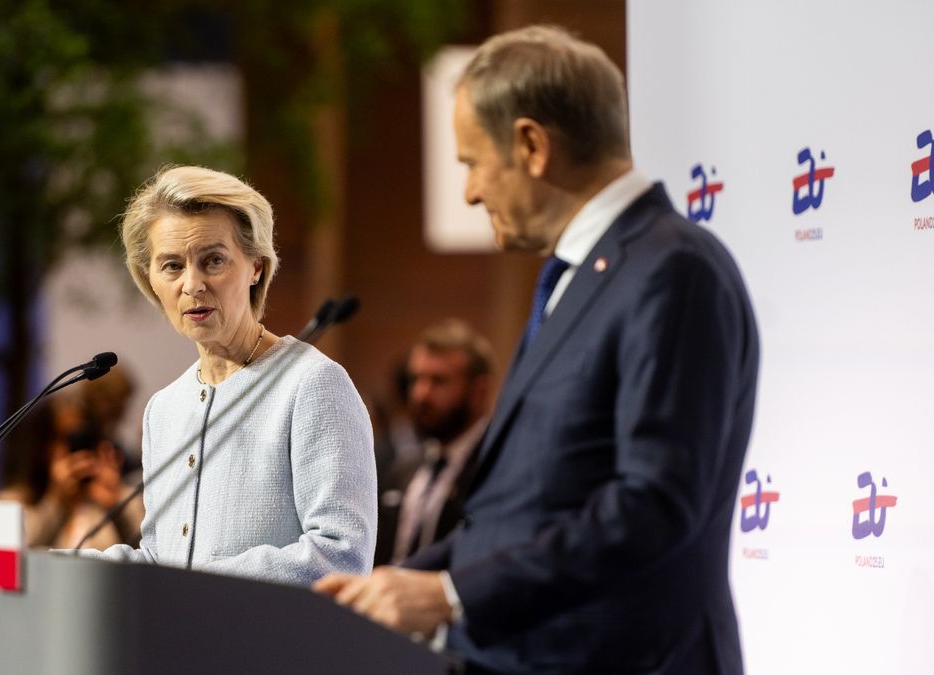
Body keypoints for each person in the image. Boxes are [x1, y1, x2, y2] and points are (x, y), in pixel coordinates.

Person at [315, 25, 760, 675]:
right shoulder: (583, 276)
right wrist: (391, 584)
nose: (469, 191)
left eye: (470, 162)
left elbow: (655, 503)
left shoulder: (673, 271)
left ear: (530, 145)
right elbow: (525, 509)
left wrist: (450, 594)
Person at [74, 165, 376, 586]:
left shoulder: (313, 385)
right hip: (182, 648)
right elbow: (160, 560)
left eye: (213, 260)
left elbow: (340, 555)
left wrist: (194, 586)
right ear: (151, 280)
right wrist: (34, 562)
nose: (193, 285)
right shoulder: (164, 409)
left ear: (255, 266)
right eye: (172, 266)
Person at [376, 319, 492, 566]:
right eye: (416, 379)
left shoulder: (496, 467)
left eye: (438, 381)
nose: (421, 394)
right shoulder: (404, 468)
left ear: (478, 391)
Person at [0, 394, 144, 549]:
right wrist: (56, 502)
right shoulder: (11, 503)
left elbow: (149, 559)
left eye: (81, 439)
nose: (73, 451)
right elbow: (7, 567)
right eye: (64, 438)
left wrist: (117, 508)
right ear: (42, 445)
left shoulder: (122, 499)